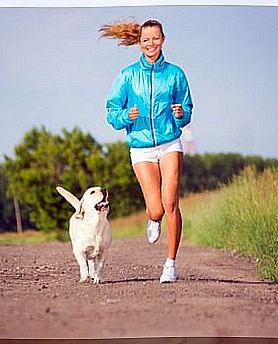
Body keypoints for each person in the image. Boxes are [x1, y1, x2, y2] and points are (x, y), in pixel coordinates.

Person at [100, 19, 193, 283]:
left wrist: (180, 113)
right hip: (141, 147)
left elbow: (186, 108)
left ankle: (170, 264)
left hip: (169, 143)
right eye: (145, 40)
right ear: (139, 43)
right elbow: (111, 110)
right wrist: (125, 117)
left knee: (171, 203)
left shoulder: (175, 74)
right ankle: (153, 219)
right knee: (156, 209)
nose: (151, 44)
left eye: (155, 39)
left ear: (163, 40)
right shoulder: (128, 75)